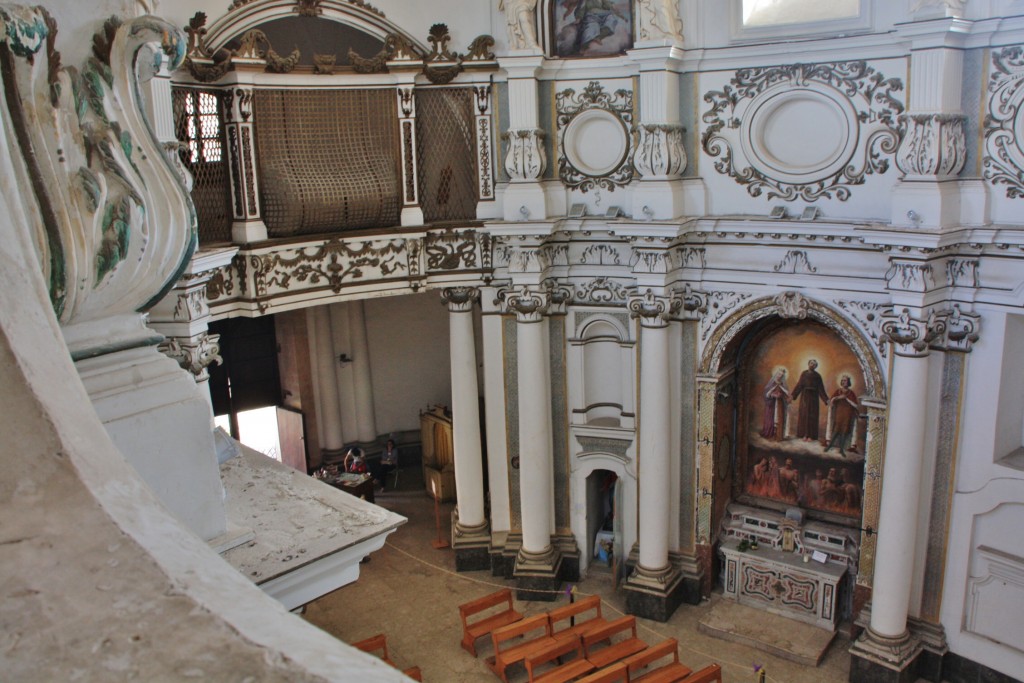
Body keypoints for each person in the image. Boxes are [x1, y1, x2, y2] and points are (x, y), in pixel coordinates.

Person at [791, 359, 829, 442]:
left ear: (816, 366)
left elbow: (821, 389)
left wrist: (826, 400)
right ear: (808, 364)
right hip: (804, 397)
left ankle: (811, 436)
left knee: (812, 416)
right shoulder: (804, 374)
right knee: (804, 415)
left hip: (813, 398)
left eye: (814, 364)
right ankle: (804, 434)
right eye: (811, 363)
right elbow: (799, 385)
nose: (812, 365)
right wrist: (793, 395)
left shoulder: (818, 376)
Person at [825, 375, 859, 456]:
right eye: (843, 380)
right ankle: (829, 446)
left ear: (848, 382)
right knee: (836, 429)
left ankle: (841, 449)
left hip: (847, 414)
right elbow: (832, 400)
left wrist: (846, 398)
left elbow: (855, 404)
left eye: (845, 380)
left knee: (844, 431)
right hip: (839, 413)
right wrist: (839, 397)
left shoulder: (851, 393)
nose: (844, 382)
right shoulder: (838, 391)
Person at [760, 368, 790, 440]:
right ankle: (770, 433)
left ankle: (778, 435)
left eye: (781, 375)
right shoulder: (772, 383)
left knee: (778, 418)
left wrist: (781, 395)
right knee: (771, 418)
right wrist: (772, 395)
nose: (779, 376)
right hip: (771, 403)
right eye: (779, 374)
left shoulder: (782, 384)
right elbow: (766, 393)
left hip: (779, 404)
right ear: (776, 374)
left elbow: (786, 393)